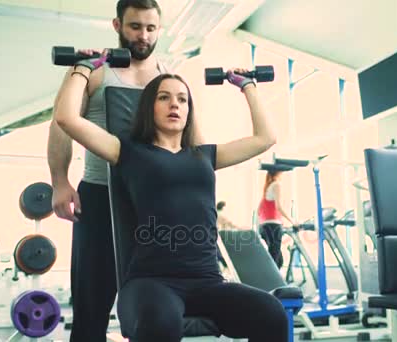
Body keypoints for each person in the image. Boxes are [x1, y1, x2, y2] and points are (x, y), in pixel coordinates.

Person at [53, 58, 288, 342]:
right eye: (164, 98)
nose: (174, 104)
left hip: (207, 282)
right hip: (151, 283)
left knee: (272, 314)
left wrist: (247, 85)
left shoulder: (205, 155)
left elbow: (266, 137)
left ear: (189, 110)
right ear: (149, 107)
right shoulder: (125, 151)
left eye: (182, 99)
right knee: (161, 324)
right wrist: (83, 68)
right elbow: (66, 118)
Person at [47, 1, 174, 340]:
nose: (143, 36)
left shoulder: (167, 76)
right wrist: (60, 181)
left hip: (152, 203)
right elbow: (61, 125)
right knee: (92, 303)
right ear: (117, 25)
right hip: (100, 195)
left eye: (150, 28)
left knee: (157, 303)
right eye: (135, 27)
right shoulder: (93, 70)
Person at [257, 170, 296, 269]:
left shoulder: (267, 187)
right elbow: (279, 206)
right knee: (275, 258)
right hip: (273, 225)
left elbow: (259, 211)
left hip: (264, 226)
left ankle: (273, 280)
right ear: (278, 173)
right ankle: (271, 281)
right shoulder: (276, 185)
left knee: (278, 258)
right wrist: (292, 221)